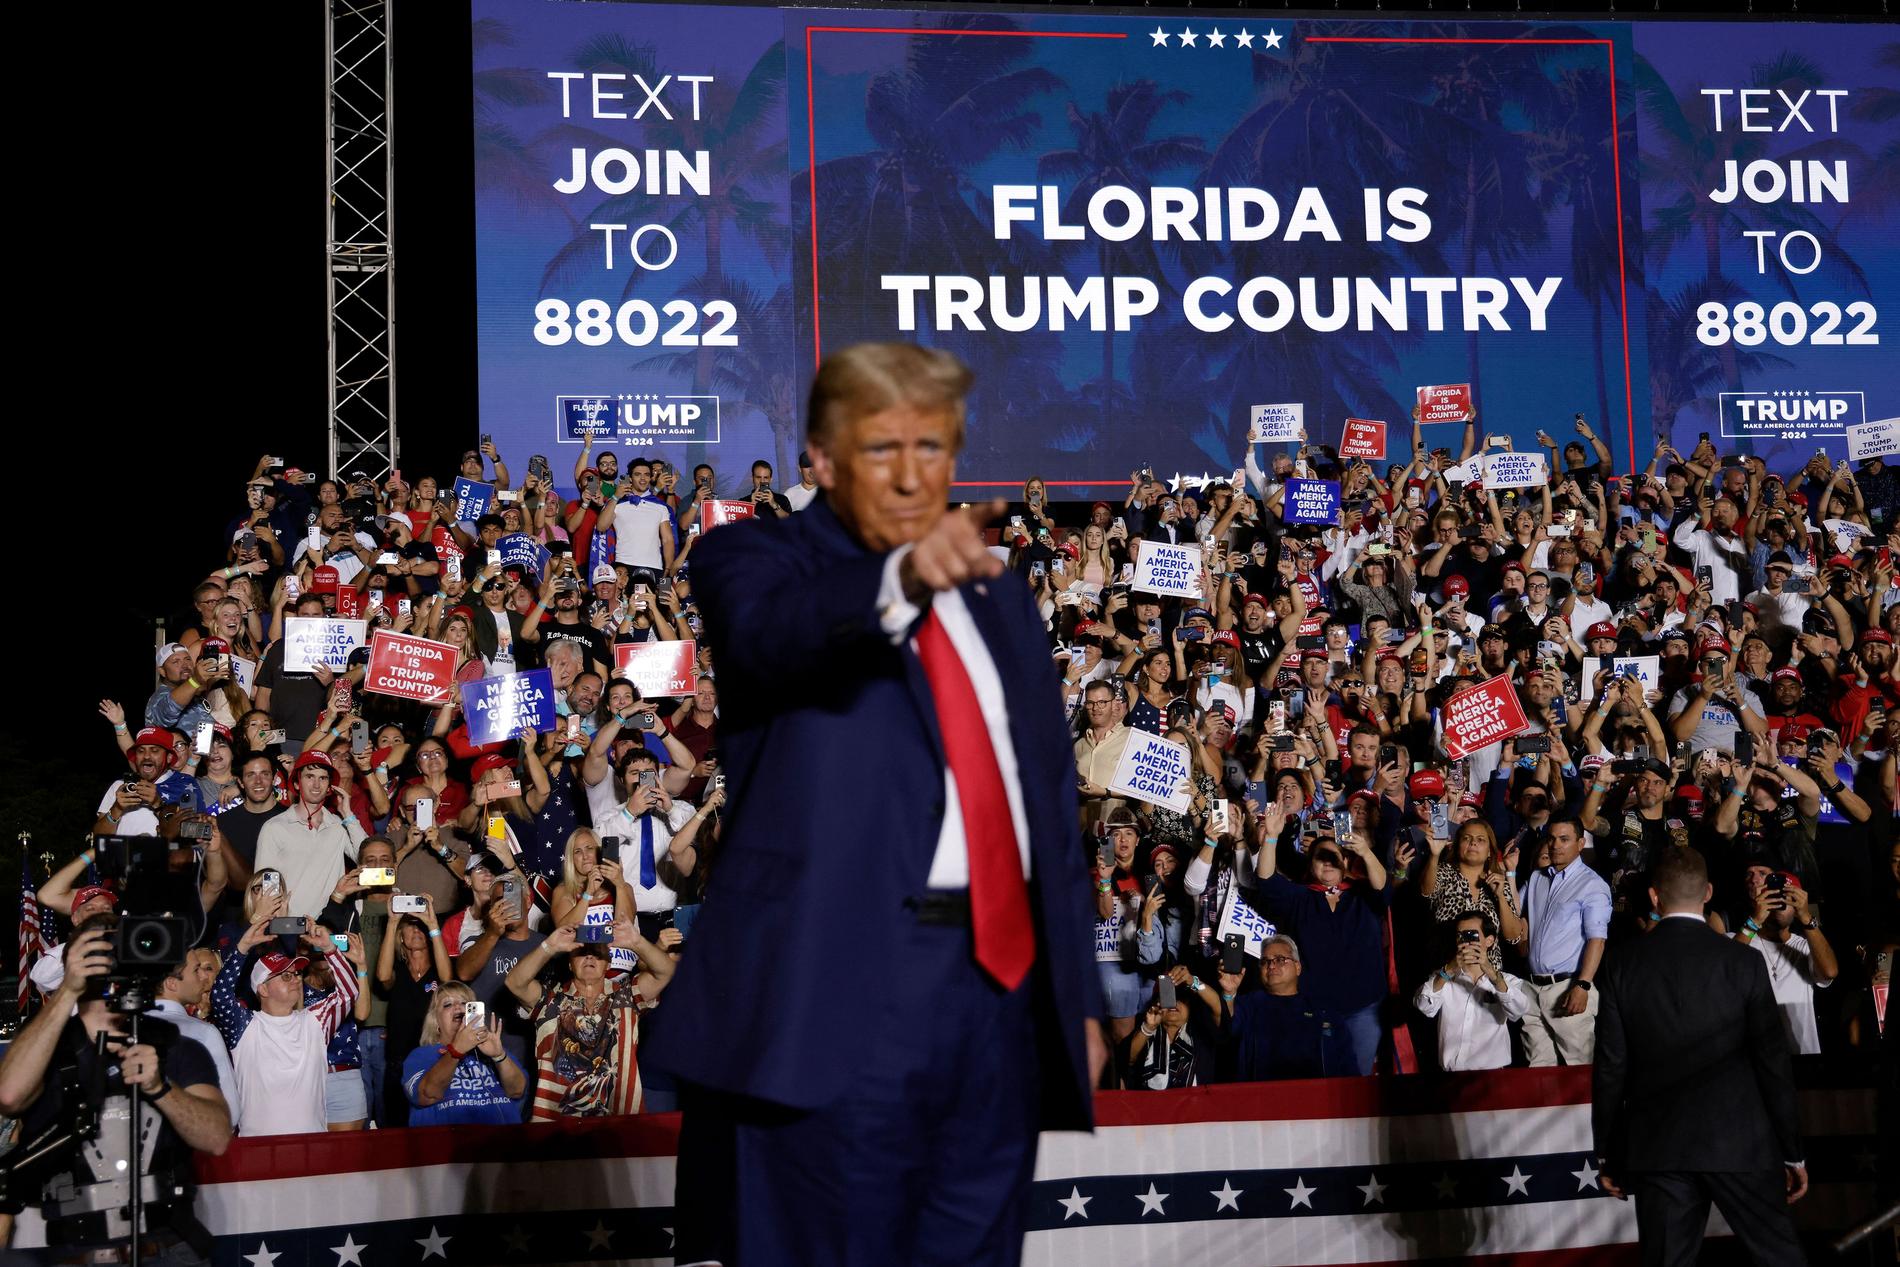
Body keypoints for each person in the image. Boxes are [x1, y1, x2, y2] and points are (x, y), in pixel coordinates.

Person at [649, 342, 1102, 1267]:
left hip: (995, 1001)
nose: (911, 475)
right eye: (880, 448)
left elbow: (1048, 808)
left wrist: (1074, 1003)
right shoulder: (752, 559)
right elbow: (776, 641)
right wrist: (900, 581)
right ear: (819, 457)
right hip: (834, 994)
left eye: (931, 447)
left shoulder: (1001, 597)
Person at [1593, 846, 1808, 1266]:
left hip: (1660, 1148)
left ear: (1655, 897)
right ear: (1707, 892)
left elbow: (1610, 1066)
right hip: (1741, 1143)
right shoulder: (1743, 962)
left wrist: (1607, 1152)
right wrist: (1792, 1150)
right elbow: (1772, 1061)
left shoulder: (1622, 964)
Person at [0, 921, 232, 1258]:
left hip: (166, 1246)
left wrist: (160, 1088)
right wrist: (69, 989)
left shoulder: (174, 1046)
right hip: (77, 1250)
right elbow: (8, 1096)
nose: (109, 960)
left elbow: (217, 1138)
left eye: (117, 948)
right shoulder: (44, 1050)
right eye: (96, 949)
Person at [208, 917, 363, 1137]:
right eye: (286, 976)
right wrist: (242, 948)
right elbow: (220, 997)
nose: (296, 980)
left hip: (310, 1145)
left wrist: (329, 948)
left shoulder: (315, 1020)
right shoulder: (244, 1026)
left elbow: (349, 993)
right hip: (257, 1147)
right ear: (262, 989)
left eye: (297, 974)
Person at [503, 920, 674, 1118]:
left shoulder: (626, 996)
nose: (590, 956)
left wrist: (636, 942)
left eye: (598, 953)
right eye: (581, 952)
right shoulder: (550, 1000)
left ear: (608, 964)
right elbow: (513, 982)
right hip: (555, 1123)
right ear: (569, 963)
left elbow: (666, 973)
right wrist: (549, 946)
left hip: (619, 1122)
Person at [1517, 817, 1612, 1066]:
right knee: (1537, 1074)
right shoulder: (1537, 878)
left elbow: (1597, 940)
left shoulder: (1592, 885)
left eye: (1564, 839)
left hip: (1568, 987)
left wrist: (1583, 986)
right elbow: (1514, 911)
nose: (1556, 845)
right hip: (1532, 988)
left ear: (1580, 843)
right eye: (1552, 839)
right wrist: (1507, 873)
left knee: (1580, 1070)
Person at [1411, 911, 1531, 1072]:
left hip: (1492, 1074)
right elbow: (1424, 1007)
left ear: (1489, 941)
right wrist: (1448, 971)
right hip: (1451, 1076)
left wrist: (1494, 976)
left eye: (1471, 935)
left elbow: (1519, 1010)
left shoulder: (1507, 981)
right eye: (1460, 936)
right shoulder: (1442, 978)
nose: (1465, 942)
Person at [402, 980, 529, 1125]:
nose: (458, 1007)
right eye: (448, 1004)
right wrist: (457, 1050)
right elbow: (427, 1094)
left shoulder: (493, 1050)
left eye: (465, 1003)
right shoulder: (421, 1055)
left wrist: (499, 1056)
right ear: (435, 1021)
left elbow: (517, 1091)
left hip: (499, 1143)